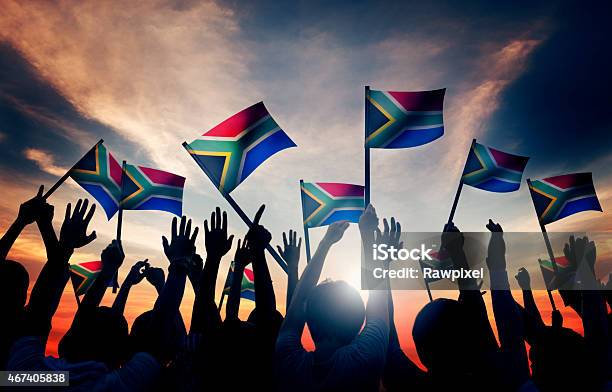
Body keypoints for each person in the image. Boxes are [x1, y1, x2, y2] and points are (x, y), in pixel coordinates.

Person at [275, 204, 390, 391]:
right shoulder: (366, 358)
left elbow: (299, 301)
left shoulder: (288, 362)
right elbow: (378, 298)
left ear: (308, 316)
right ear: (360, 320)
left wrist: (326, 243)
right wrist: (368, 236)